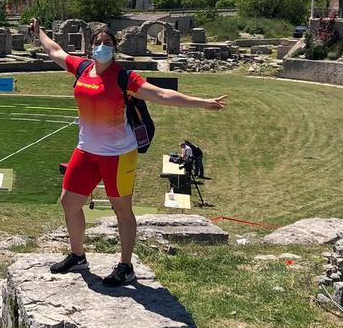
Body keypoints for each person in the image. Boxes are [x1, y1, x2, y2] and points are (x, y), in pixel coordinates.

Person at [29, 19, 227, 286]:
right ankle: (78, 256)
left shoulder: (125, 77)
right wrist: (39, 31)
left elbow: (162, 95)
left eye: (107, 44)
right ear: (90, 48)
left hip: (119, 155)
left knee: (122, 210)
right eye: (97, 43)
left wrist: (204, 103)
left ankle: (126, 266)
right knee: (69, 202)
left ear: (115, 48)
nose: (101, 48)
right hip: (86, 150)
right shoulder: (83, 68)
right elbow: (55, 51)